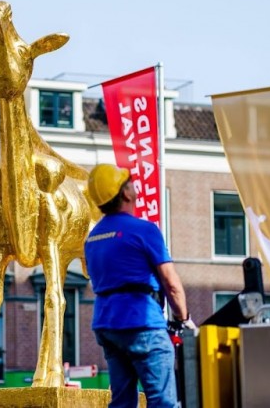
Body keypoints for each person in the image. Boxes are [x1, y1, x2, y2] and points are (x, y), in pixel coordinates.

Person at [85, 163, 194, 408]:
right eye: (130, 183)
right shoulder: (145, 230)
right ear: (125, 193)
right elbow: (171, 283)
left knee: (122, 402)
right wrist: (184, 318)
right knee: (162, 402)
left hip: (107, 326)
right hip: (142, 324)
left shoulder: (92, 238)